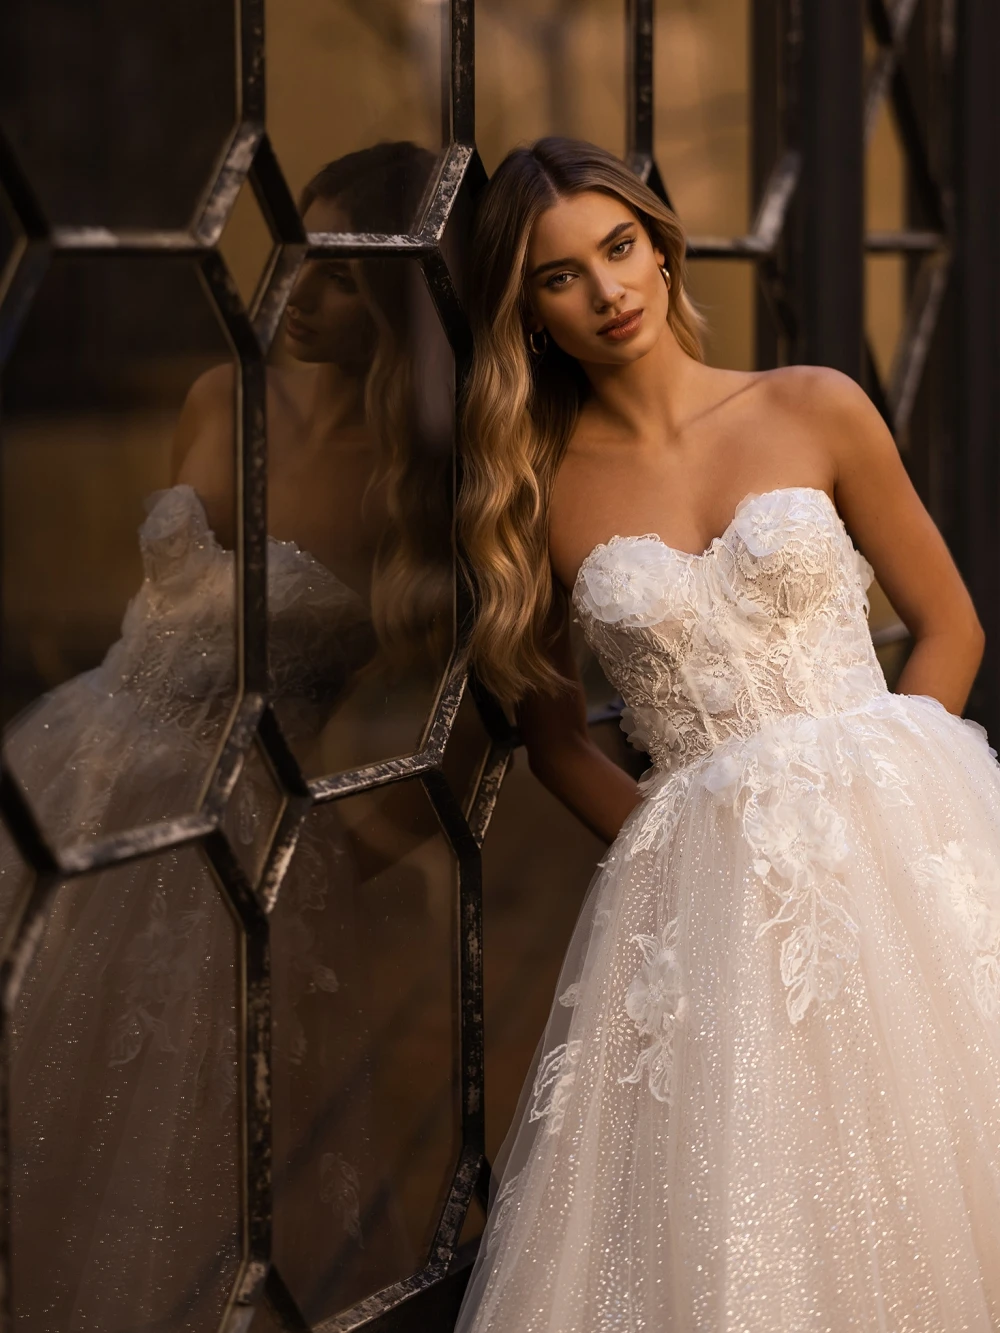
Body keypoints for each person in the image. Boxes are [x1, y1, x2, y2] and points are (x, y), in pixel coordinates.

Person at [453, 135, 1000, 1331]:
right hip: (707, 903)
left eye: (619, 245)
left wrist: (883, 796)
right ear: (530, 314)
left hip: (903, 848)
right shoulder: (538, 490)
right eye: (560, 276)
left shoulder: (813, 403)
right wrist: (681, 854)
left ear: (659, 243)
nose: (608, 290)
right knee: (753, 1209)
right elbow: (554, 745)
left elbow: (948, 624)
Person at [2, 141, 452, 1330]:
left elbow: (482, 725)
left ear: (410, 298)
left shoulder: (419, 486)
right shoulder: (217, 392)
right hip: (71, 769)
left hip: (228, 843)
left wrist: (337, 864)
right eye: (296, 254)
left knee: (178, 1151)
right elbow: (162, 608)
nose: (297, 289)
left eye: (344, 278)